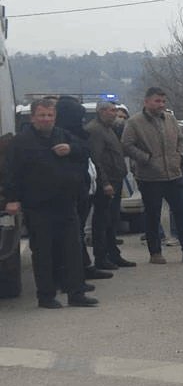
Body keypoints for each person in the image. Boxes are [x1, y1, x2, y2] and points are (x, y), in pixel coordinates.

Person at [4, 99, 99, 308]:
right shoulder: (20, 142)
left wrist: (71, 149)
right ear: (33, 117)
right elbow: (10, 173)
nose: (46, 119)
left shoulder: (62, 135)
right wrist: (11, 199)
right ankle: (46, 296)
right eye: (42, 115)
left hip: (66, 203)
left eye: (50, 116)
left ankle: (76, 293)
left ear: (55, 117)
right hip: (38, 205)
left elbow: (86, 150)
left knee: (72, 250)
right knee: (43, 253)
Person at [120, 87, 183, 264]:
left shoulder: (170, 119)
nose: (161, 105)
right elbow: (127, 145)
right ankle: (155, 252)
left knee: (181, 212)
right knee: (152, 215)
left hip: (173, 174)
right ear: (147, 102)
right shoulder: (135, 122)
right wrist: (146, 158)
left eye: (163, 101)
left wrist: (179, 155)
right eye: (157, 101)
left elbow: (182, 139)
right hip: (150, 177)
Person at [54, 96, 112, 283]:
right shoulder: (60, 136)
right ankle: (72, 274)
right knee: (70, 235)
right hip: (68, 192)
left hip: (83, 190)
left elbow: (87, 156)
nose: (81, 123)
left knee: (77, 233)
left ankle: (82, 269)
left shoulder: (75, 137)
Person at [85, 101, 136, 270]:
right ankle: (102, 257)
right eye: (112, 110)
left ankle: (113, 254)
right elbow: (96, 159)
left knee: (112, 220)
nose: (115, 114)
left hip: (116, 179)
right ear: (101, 112)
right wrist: (104, 183)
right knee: (103, 221)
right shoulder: (95, 130)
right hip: (106, 183)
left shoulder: (108, 129)